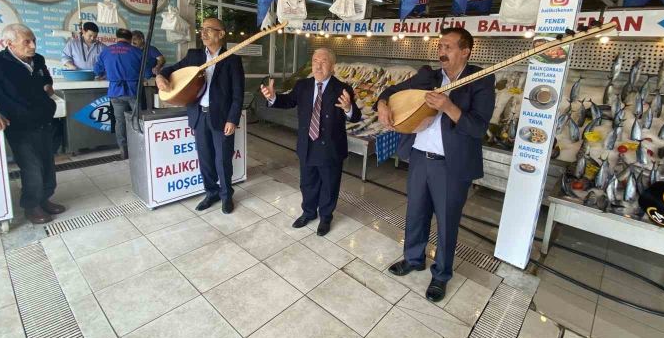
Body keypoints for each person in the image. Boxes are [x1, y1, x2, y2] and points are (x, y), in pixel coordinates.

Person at [377, 27, 495, 302]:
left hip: (451, 166)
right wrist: (383, 103)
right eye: (440, 46)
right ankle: (413, 259)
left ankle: (441, 275)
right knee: (415, 213)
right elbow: (392, 90)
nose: (441, 51)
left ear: (465, 51)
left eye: (448, 47)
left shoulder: (480, 80)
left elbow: (478, 127)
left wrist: (448, 106)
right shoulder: (428, 76)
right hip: (419, 158)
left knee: (446, 222)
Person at [0, 24, 66, 225]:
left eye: (34, 40)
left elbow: (46, 80)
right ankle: (32, 206)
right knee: (31, 167)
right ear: (9, 43)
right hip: (20, 127)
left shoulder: (38, 59)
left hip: (44, 122)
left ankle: (45, 198)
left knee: (47, 164)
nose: (33, 45)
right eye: (27, 41)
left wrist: (48, 91)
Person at [261, 48, 361, 236]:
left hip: (331, 147)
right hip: (307, 145)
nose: (318, 65)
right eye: (315, 60)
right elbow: (287, 101)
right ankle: (308, 212)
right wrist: (273, 97)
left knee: (329, 185)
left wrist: (348, 108)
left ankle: (325, 217)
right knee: (307, 183)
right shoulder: (303, 85)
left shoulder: (342, 88)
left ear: (332, 66)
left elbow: (356, 116)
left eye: (323, 61)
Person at [156, 17, 244, 214]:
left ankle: (226, 196)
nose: (203, 33)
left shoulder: (232, 60)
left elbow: (238, 95)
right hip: (199, 116)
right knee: (205, 159)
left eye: (209, 29)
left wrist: (232, 119)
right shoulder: (194, 56)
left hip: (221, 119)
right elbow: (170, 70)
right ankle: (211, 193)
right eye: (202, 29)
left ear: (221, 34)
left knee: (222, 160)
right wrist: (160, 76)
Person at [94, 28, 156, 159]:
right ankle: (139, 148)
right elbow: (148, 73)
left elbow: (97, 70)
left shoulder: (106, 51)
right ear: (130, 39)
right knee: (137, 119)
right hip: (134, 91)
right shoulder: (137, 52)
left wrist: (105, 74)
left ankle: (123, 149)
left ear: (117, 38)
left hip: (115, 91)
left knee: (120, 121)